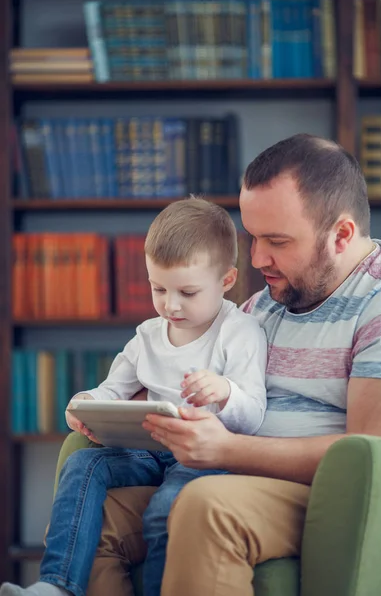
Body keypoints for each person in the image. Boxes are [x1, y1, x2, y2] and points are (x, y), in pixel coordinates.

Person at [76, 133, 381, 596]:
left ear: (341, 235)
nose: (256, 258)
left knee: (205, 505)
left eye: (277, 241)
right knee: (98, 517)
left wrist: (226, 450)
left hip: (323, 494)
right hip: (222, 473)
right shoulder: (263, 305)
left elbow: (374, 457)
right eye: (251, 237)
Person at [0, 198, 267, 596]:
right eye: (159, 288)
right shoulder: (147, 335)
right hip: (149, 449)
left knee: (165, 509)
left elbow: (254, 417)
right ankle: (57, 584)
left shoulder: (240, 331)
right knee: (83, 464)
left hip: (203, 457)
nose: (170, 305)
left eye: (187, 292)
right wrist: (88, 401)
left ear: (227, 280)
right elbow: (113, 389)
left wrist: (227, 392)